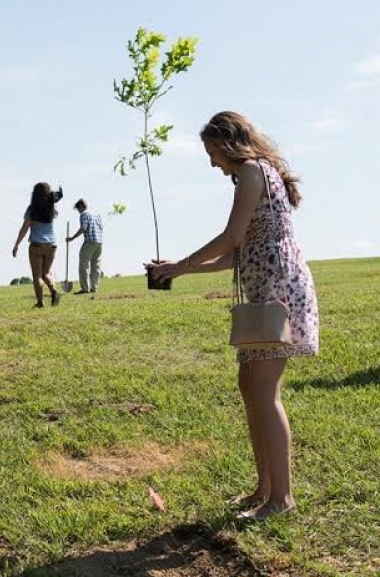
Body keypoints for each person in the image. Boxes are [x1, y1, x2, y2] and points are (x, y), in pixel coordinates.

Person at [149, 111, 319, 521]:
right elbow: (235, 255)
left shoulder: (250, 172)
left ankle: (282, 498)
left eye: (211, 152)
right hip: (265, 290)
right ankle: (264, 488)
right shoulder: (259, 172)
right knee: (250, 387)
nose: (211, 163)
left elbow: (232, 238)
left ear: (228, 144)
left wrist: (185, 261)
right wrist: (181, 268)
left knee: (264, 392)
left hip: (276, 292)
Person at [12, 182, 62, 308]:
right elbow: (55, 198)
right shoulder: (51, 208)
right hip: (52, 245)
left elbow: (25, 227)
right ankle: (54, 291)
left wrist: (16, 244)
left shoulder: (32, 209)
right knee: (46, 274)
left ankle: (40, 302)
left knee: (37, 276)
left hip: (36, 245)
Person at [66, 198, 104, 294]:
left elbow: (83, 228)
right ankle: (94, 287)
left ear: (81, 206)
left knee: (84, 265)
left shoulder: (84, 214)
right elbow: (101, 228)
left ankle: (85, 288)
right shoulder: (96, 214)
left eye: (78, 209)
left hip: (90, 241)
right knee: (96, 265)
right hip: (99, 242)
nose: (78, 211)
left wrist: (72, 238)